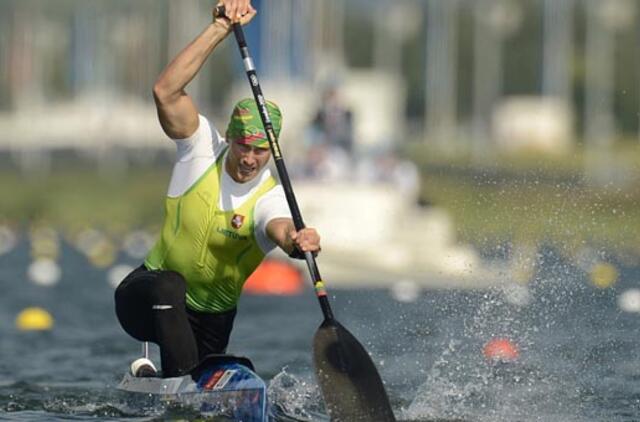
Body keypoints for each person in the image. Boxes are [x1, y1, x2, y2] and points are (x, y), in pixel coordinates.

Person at [114, 0, 321, 378]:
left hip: (212, 323)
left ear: (273, 150)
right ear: (229, 136)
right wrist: (220, 29)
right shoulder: (200, 148)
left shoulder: (271, 195)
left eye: (260, 150)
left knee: (200, 375)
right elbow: (165, 91)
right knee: (169, 286)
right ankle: (181, 387)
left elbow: (282, 230)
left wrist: (299, 240)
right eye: (243, 144)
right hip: (144, 297)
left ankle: (170, 382)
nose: (249, 158)